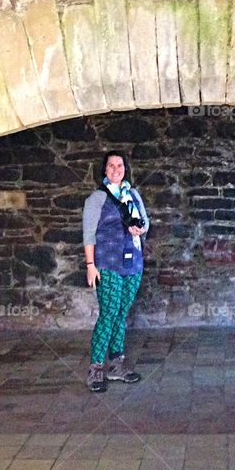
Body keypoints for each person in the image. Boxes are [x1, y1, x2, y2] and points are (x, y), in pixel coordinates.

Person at [82, 150, 149, 392]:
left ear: (125, 169)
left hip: (133, 263)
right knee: (109, 313)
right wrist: (90, 265)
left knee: (121, 313)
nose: (116, 170)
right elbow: (89, 235)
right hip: (107, 263)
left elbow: (145, 222)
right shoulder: (97, 199)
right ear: (104, 170)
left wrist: (140, 229)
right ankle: (96, 368)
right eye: (111, 166)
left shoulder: (133, 194)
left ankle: (116, 364)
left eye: (119, 165)